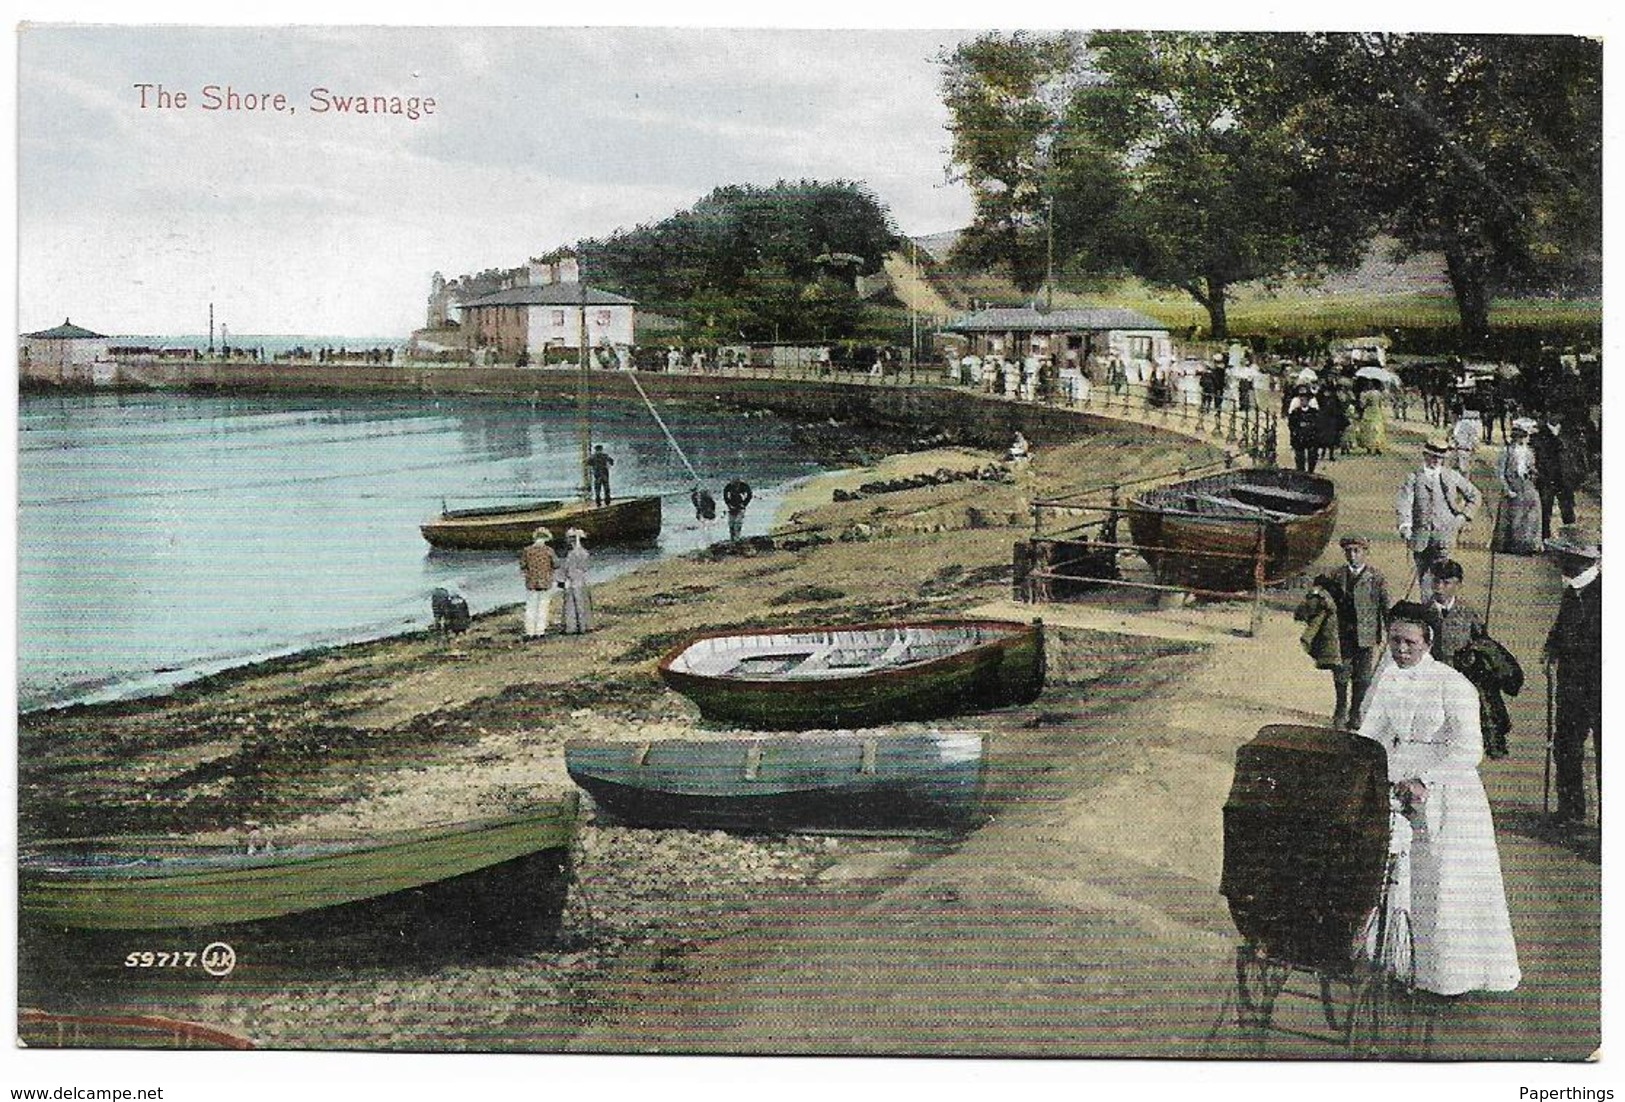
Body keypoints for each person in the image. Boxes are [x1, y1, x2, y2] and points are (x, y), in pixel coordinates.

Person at [1357, 602, 1521, 996]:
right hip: (1398, 780)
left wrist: (1425, 779)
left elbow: (1469, 750)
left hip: (1447, 787)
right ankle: (1399, 962)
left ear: (1428, 641)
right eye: (1394, 641)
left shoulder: (1453, 684)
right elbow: (1373, 731)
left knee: (1443, 879)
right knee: (1398, 872)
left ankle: (1446, 975)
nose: (1400, 650)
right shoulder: (1389, 679)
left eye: (1409, 642)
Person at [1541, 527, 1601, 826]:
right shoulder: (1572, 588)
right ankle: (1571, 809)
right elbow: (1562, 624)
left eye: (1561, 557)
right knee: (1565, 744)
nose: (1556, 562)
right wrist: (1551, 645)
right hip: (1571, 685)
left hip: (1601, 687)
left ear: (1577, 559)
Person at [1395, 439, 1480, 601]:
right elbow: (1404, 503)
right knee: (1423, 577)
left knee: (1442, 576)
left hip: (1444, 536)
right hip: (1420, 537)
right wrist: (1405, 525)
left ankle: (1442, 607)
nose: (1436, 461)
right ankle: (1427, 607)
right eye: (1432, 457)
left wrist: (1462, 517)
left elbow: (1475, 496)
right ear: (1425, 455)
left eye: (1440, 458)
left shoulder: (1451, 476)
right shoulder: (1413, 478)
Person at [1324, 535, 1391, 728]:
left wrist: (1390, 631)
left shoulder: (1376, 578)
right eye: (1349, 551)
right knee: (1341, 673)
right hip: (1342, 635)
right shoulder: (1336, 575)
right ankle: (1340, 710)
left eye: (1357, 551)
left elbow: (1385, 606)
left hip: (1367, 636)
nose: (1352, 556)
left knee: (1362, 677)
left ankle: (1356, 712)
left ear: (1365, 553)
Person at [1531, 408, 1587, 543]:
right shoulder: (1539, 433)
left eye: (1560, 415)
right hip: (1546, 478)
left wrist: (1576, 475)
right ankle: (1545, 539)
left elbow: (1576, 455)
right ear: (1549, 414)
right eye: (1555, 413)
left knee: (1568, 509)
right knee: (1545, 510)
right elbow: (1535, 456)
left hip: (1565, 478)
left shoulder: (1568, 433)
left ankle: (1571, 540)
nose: (1558, 417)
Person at [1493, 419, 1543, 555]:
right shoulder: (1507, 451)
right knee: (1514, 517)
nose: (1524, 440)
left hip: (1527, 485)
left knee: (1531, 514)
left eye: (1526, 437)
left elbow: (1532, 467)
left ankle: (1528, 545)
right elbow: (1500, 472)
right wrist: (1507, 489)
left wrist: (1533, 473)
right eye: (1522, 437)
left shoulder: (1529, 452)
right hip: (1513, 485)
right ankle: (1511, 544)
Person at [1426, 559, 1485, 668]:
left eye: (1446, 583)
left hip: (1459, 673)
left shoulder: (1468, 612)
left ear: (1458, 585)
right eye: (1436, 581)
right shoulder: (1423, 611)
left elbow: (1482, 640)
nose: (1439, 587)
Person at [519, 527, 559, 639]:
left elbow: (522, 565)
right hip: (545, 582)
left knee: (531, 607)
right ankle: (540, 631)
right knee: (543, 606)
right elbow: (556, 564)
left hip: (531, 582)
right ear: (545, 538)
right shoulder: (549, 550)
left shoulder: (527, 550)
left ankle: (529, 631)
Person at [560, 528, 593, 634]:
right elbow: (585, 567)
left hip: (572, 580)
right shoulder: (585, 552)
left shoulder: (571, 554)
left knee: (571, 604)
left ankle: (572, 627)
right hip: (582, 579)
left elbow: (567, 568)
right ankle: (585, 625)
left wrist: (562, 579)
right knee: (583, 602)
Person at [1286, 386, 1321, 473]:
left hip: (1311, 437)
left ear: (1308, 400)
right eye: (1301, 399)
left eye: (1305, 399)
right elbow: (1291, 425)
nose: (1303, 401)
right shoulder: (1295, 413)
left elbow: (1318, 425)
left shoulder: (1314, 413)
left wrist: (1313, 430)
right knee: (1299, 457)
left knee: (1312, 456)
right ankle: (1301, 472)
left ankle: (1310, 471)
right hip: (1299, 438)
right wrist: (1296, 432)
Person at [722, 477, 753, 542]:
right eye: (734, 484)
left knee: (738, 523)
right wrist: (728, 504)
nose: (736, 485)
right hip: (732, 506)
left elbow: (749, 495)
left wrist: (744, 504)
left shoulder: (744, 486)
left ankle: (737, 538)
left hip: (740, 505)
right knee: (731, 523)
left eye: (737, 484)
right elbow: (725, 495)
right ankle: (732, 538)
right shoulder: (728, 487)